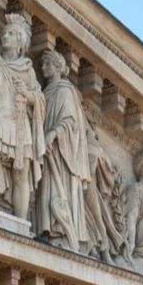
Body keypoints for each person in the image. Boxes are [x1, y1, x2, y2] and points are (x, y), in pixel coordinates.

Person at [0, 13, 44, 221]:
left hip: (19, 125)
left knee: (21, 172)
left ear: (20, 42)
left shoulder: (27, 69)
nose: (5, 35)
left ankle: (21, 221)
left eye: (11, 34)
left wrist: (26, 93)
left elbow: (39, 99)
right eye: (4, 32)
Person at [38, 49, 91, 251]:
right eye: (42, 65)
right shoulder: (46, 92)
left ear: (59, 67)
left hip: (61, 154)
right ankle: (48, 228)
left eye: (48, 64)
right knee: (46, 189)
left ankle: (61, 231)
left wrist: (54, 133)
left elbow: (71, 122)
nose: (43, 68)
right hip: (47, 150)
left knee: (57, 191)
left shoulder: (65, 90)